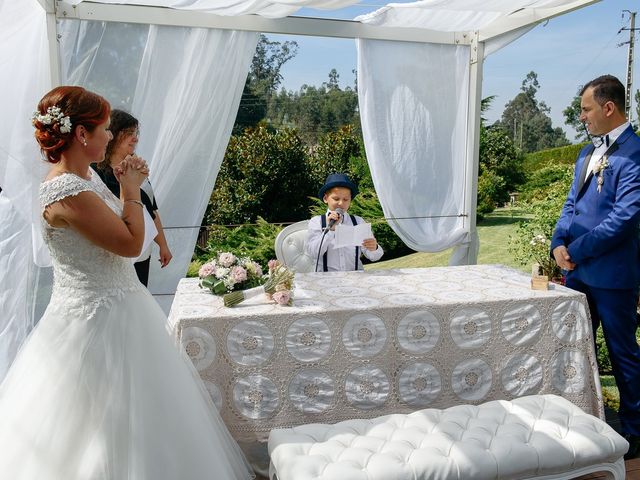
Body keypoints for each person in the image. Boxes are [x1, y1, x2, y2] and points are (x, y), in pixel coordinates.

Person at [0, 86, 253, 479]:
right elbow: (131, 244)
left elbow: (120, 226)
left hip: (122, 307)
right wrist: (132, 190)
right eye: (103, 129)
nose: (109, 136)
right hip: (95, 323)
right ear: (82, 135)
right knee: (98, 426)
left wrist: (123, 187)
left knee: (146, 421)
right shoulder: (66, 190)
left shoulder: (85, 179)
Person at [550, 75, 640, 460]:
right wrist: (557, 244)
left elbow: (625, 217)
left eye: (586, 109)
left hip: (613, 277)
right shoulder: (586, 153)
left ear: (608, 108)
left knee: (622, 355)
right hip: (578, 275)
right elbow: (571, 204)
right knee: (571, 353)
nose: (582, 116)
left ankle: (636, 430)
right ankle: (580, 423)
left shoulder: (635, 153)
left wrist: (578, 249)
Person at [94, 109, 172, 286]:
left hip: (143, 250)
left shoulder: (137, 169)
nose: (135, 138)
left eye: (136, 133)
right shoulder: (96, 172)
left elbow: (152, 211)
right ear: (111, 134)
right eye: (129, 133)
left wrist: (163, 245)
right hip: (115, 251)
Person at [306, 173, 383, 272]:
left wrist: (374, 247)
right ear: (326, 198)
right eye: (336, 199)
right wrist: (330, 230)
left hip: (355, 278)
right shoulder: (316, 222)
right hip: (327, 280)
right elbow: (312, 253)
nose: (341, 203)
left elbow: (374, 257)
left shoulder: (358, 222)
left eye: (346, 199)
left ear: (350, 200)